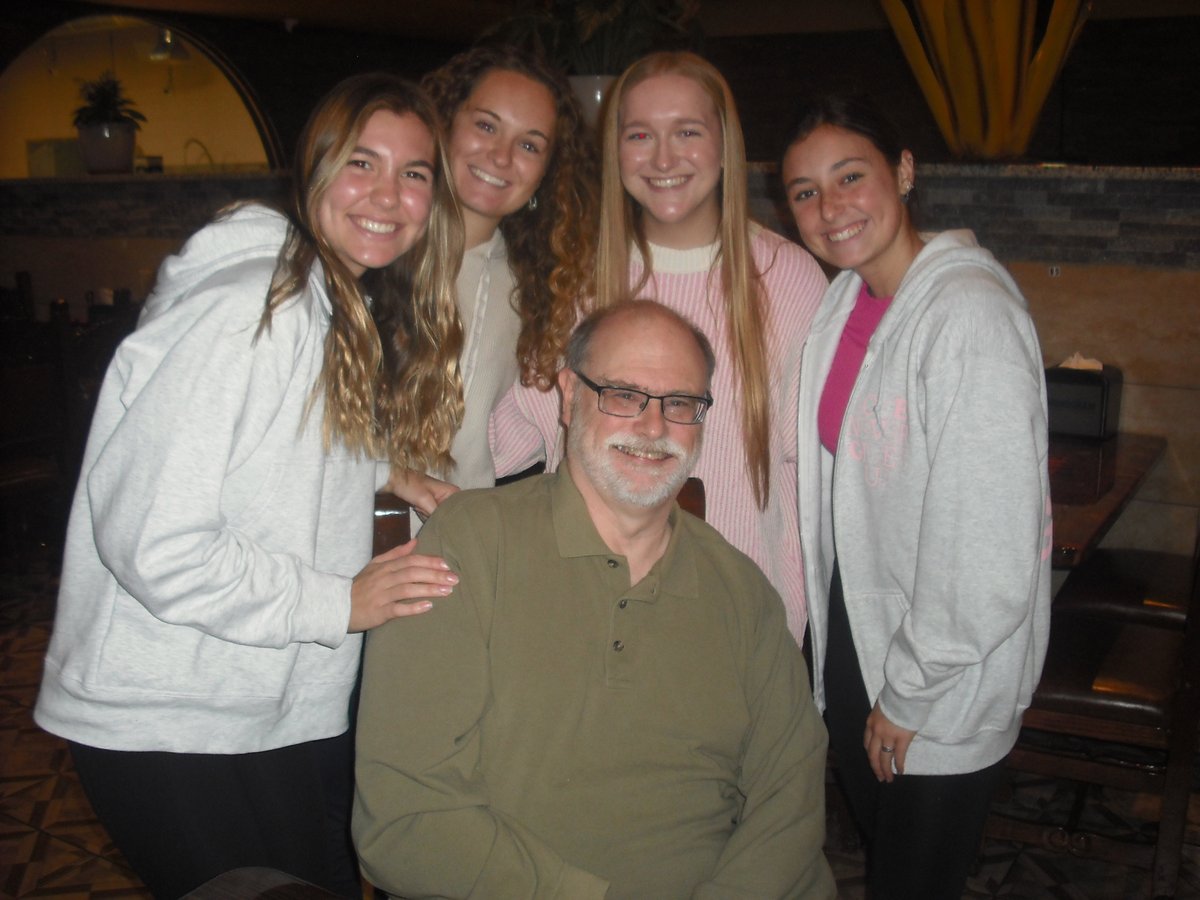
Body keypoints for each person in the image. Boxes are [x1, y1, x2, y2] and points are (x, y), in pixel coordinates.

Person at [34, 73, 464, 899]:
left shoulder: (326, 300)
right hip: (170, 723)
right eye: (362, 163)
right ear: (312, 169)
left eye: (414, 173)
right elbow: (154, 541)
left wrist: (384, 470)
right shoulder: (251, 311)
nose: (388, 195)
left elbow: (263, 449)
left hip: (265, 706)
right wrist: (339, 604)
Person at [354, 300, 836, 900]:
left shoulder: (742, 592)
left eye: (680, 404)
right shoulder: (470, 547)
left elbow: (788, 802)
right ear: (567, 395)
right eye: (623, 394)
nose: (654, 428)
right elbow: (406, 815)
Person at [781, 93, 1052, 899]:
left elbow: (989, 544)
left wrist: (910, 690)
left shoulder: (970, 315)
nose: (829, 210)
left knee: (911, 882)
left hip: (940, 676)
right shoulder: (847, 302)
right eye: (803, 192)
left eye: (850, 176)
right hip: (862, 637)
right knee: (889, 859)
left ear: (902, 171)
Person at [490, 51, 827, 642]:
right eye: (640, 134)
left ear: (725, 145)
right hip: (586, 613)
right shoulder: (573, 277)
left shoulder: (788, 279)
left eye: (688, 132)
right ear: (614, 149)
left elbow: (815, 484)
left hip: (735, 619)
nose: (664, 158)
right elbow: (516, 437)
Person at [421, 44, 598, 489]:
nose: (501, 157)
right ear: (443, 123)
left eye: (529, 145)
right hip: (344, 538)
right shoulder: (375, 252)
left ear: (547, 171)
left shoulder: (540, 288)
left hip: (462, 543)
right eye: (485, 125)